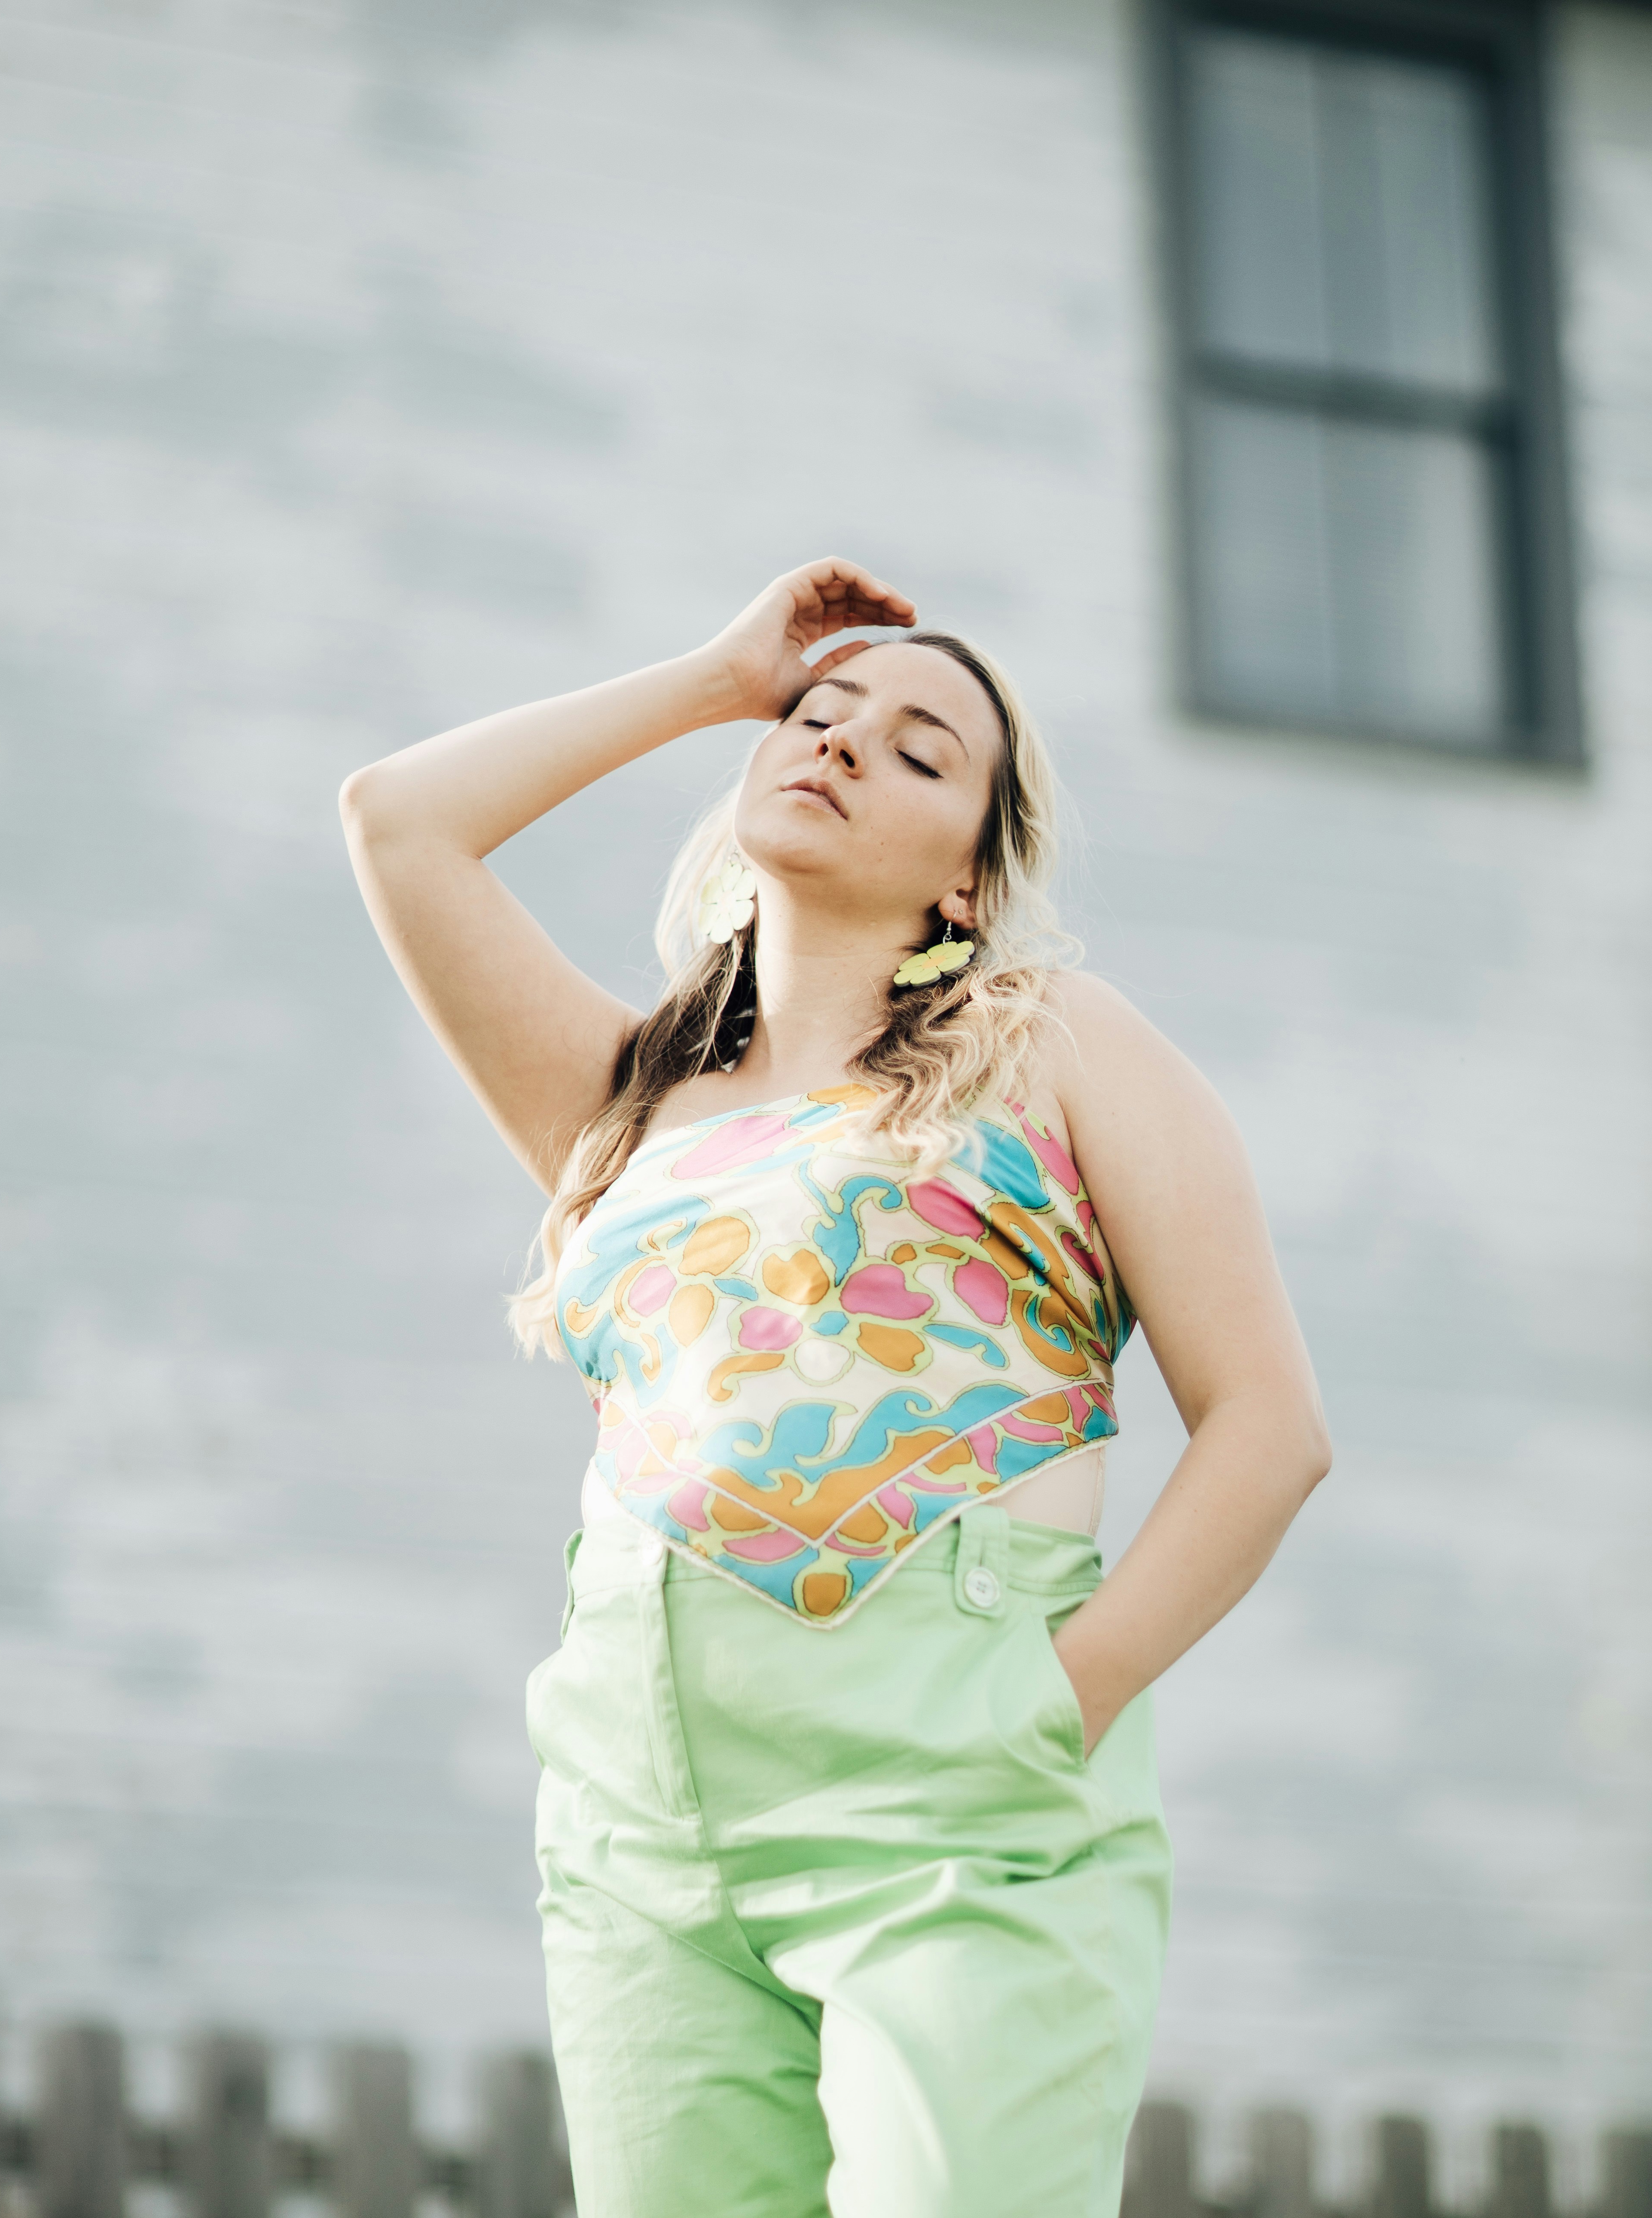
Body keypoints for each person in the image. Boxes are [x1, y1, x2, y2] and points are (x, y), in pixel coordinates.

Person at [339, 555, 1331, 2218]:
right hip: (638, 1816)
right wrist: (717, 676)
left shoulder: (1055, 1042)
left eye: (922, 749)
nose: (845, 743)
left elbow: (1267, 1428)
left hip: (952, 1788)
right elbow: (397, 821)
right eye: (819, 717)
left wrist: (1050, 1704)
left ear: (964, 882)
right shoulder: (625, 1101)